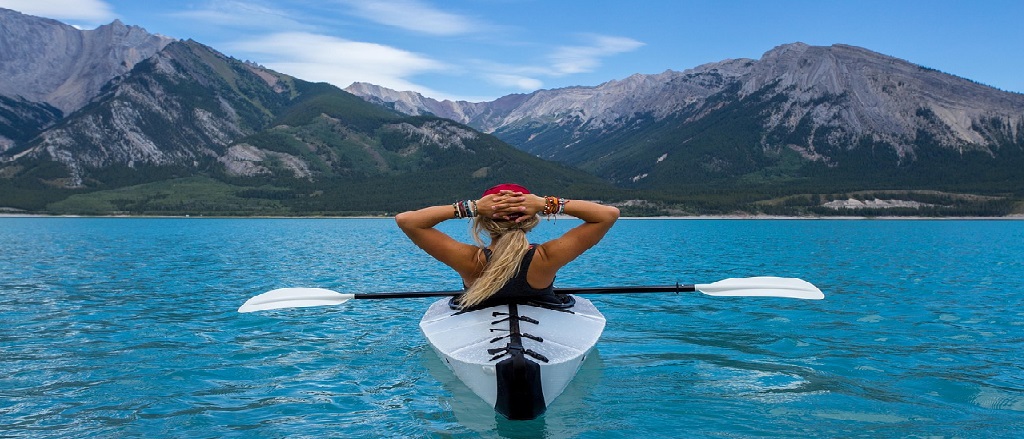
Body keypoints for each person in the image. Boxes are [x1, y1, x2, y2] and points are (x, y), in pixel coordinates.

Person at [395, 183, 619, 309]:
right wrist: (545, 203)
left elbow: (407, 220)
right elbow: (608, 214)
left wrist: (470, 207)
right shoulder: (547, 257)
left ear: (482, 220)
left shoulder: (470, 261)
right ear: (530, 220)